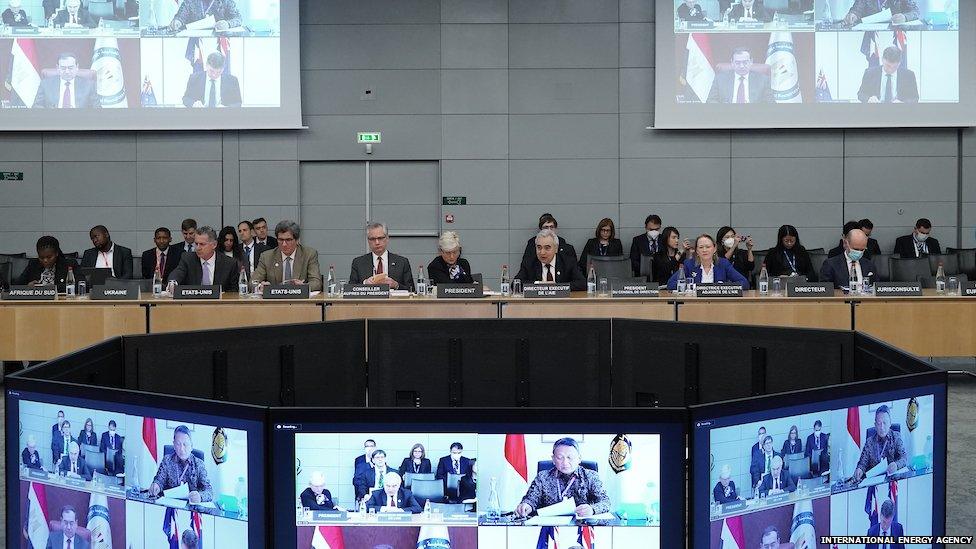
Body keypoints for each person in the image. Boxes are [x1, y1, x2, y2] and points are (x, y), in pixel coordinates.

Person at [515, 437, 610, 518]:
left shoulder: (590, 476)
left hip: (582, 528)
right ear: (553, 459)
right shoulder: (542, 477)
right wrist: (527, 505)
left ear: (579, 458)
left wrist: (592, 509)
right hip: (549, 528)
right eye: (560, 457)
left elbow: (605, 502)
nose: (565, 462)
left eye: (570, 457)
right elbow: (531, 499)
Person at [252, 220, 323, 292]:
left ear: (297, 240)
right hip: (275, 301)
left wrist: (303, 287)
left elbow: (316, 283)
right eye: (280, 240)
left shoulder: (309, 254)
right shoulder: (266, 257)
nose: (284, 244)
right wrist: (260, 286)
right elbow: (253, 282)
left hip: (299, 301)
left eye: (288, 240)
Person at [150, 425, 213, 503]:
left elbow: (209, 491)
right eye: (178, 444)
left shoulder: (199, 464)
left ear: (191, 445)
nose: (182, 449)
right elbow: (159, 480)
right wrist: (156, 485)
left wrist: (200, 497)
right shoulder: (167, 460)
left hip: (191, 509)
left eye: (185, 444)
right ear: (174, 445)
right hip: (170, 505)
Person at [168, 226, 240, 292]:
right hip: (194, 304)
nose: (198, 248)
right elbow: (178, 272)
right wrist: (173, 282)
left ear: (214, 245)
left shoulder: (229, 263)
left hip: (219, 304)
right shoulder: (188, 258)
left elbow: (234, 292)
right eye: (196, 244)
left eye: (202, 244)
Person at [667, 234, 751, 290]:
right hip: (694, 305)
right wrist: (692, 286)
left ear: (714, 249)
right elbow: (670, 284)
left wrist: (723, 288)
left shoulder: (723, 264)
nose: (704, 250)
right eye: (701, 247)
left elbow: (744, 283)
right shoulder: (689, 264)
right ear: (696, 250)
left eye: (708, 247)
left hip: (719, 305)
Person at [349, 222, 414, 291]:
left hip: (393, 301)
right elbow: (349, 289)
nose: (377, 242)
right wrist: (365, 284)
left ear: (387, 238)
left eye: (380, 238)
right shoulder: (358, 263)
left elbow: (411, 290)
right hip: (369, 301)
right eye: (373, 239)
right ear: (368, 241)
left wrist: (396, 285)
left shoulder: (402, 262)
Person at [515, 229, 587, 290]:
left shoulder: (568, 262)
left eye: (547, 248)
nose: (542, 252)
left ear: (556, 249)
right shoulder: (529, 263)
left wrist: (556, 287)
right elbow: (516, 284)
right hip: (537, 304)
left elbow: (582, 283)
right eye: (539, 247)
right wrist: (539, 284)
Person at [853, 405, 907, 482]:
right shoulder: (869, 442)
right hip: (875, 483)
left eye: (884, 423)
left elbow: (904, 458)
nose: (882, 427)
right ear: (875, 425)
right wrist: (859, 469)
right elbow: (862, 463)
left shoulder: (896, 436)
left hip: (893, 481)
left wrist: (896, 465)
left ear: (890, 423)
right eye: (879, 423)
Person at [707, 48, 774, 104]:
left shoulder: (763, 80)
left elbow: (771, 103)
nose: (741, 66)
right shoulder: (720, 79)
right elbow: (711, 100)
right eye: (737, 63)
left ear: (751, 62)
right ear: (732, 63)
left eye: (745, 62)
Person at [33, 52, 98, 109]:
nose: (67, 72)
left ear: (77, 67)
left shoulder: (89, 85)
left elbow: (97, 109)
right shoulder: (45, 84)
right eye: (63, 68)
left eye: (70, 68)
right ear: (58, 68)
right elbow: (37, 107)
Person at [170, 0, 241, 31]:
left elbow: (238, 18)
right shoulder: (189, 1)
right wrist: (177, 22)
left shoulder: (226, 1)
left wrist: (228, 24)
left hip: (220, 41)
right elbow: (180, 17)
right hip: (195, 41)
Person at [844, 0, 919, 26]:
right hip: (872, 35)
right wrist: (853, 14)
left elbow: (915, 11)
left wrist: (905, 17)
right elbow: (857, 10)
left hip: (896, 35)